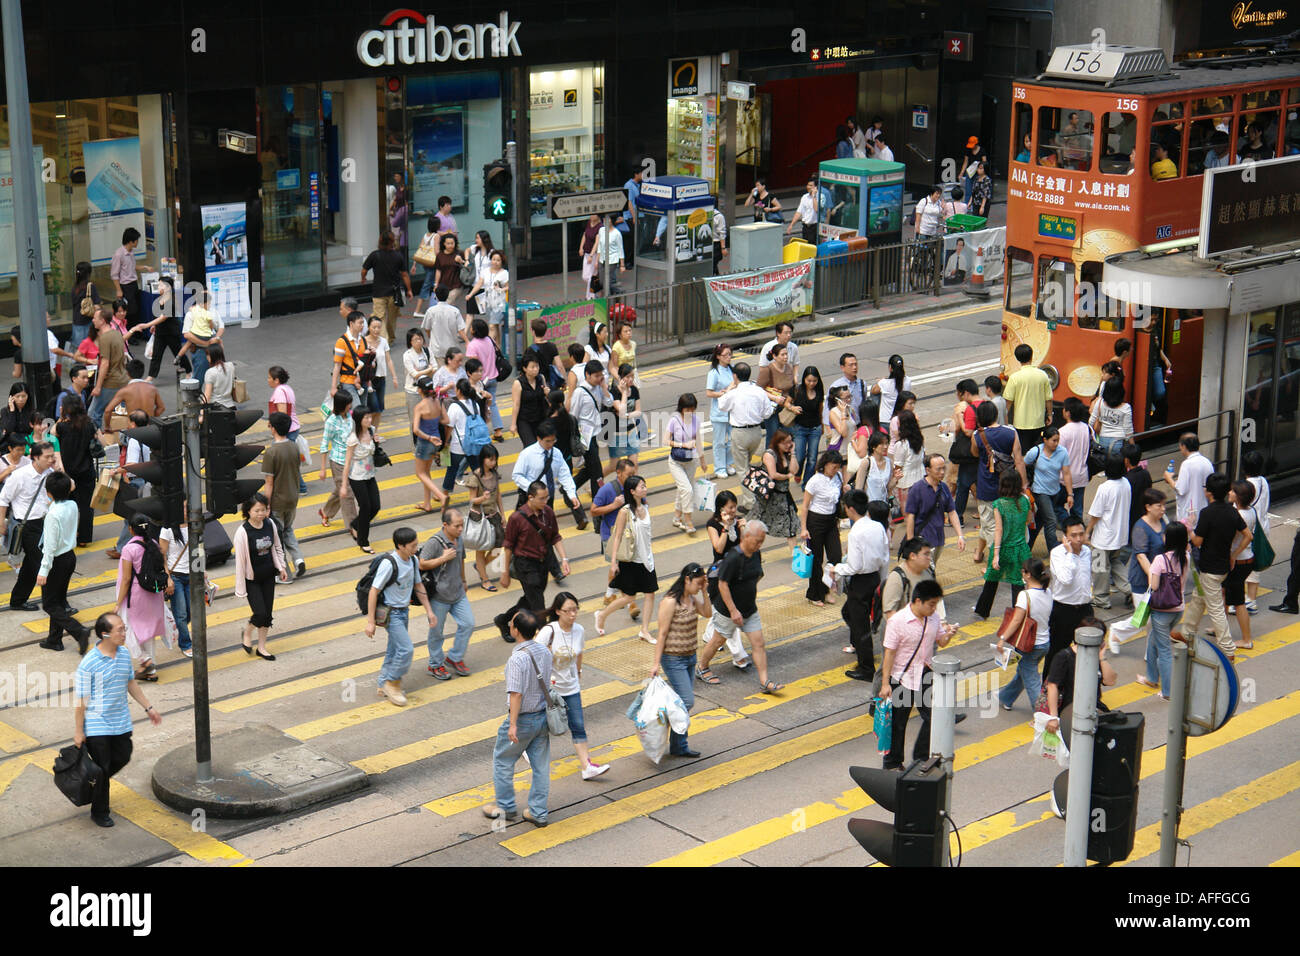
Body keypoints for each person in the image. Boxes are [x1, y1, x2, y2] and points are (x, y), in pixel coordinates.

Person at [73, 613, 162, 827]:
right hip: (97, 724)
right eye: (120, 630)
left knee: (123, 756)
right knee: (102, 767)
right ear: (105, 635)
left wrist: (148, 707)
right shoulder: (89, 663)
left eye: (124, 628)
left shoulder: (123, 654)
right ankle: (100, 811)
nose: (124, 633)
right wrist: (78, 731)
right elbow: (81, 701)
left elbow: (130, 683)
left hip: (121, 720)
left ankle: (93, 785)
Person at [483, 609, 552, 827]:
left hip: (523, 720)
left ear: (517, 631)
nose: (509, 626)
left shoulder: (517, 659)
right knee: (541, 767)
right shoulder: (545, 652)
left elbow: (516, 694)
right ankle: (538, 812)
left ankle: (505, 807)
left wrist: (512, 724)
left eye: (512, 623)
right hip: (542, 718)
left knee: (503, 760)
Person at [698, 520, 784, 693]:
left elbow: (757, 575)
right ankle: (702, 667)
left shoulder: (756, 554)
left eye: (762, 541)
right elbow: (722, 584)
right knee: (717, 641)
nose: (760, 544)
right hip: (727, 611)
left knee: (758, 643)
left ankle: (764, 681)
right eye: (757, 541)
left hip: (749, 609)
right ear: (746, 537)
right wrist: (733, 610)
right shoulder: (733, 557)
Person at [880, 579, 956, 770]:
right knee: (898, 724)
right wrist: (885, 684)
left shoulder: (934, 618)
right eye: (931, 604)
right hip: (902, 676)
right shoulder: (897, 621)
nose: (933, 609)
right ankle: (892, 763)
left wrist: (949, 634)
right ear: (918, 601)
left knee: (933, 716)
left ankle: (921, 758)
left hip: (925, 674)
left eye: (935, 605)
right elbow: (889, 653)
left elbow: (942, 641)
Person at [536, 591, 611, 776]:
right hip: (550, 689)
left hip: (571, 687)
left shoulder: (579, 630)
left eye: (575, 610)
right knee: (541, 725)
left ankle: (586, 766)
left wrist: (578, 672)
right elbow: (534, 655)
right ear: (558, 611)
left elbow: (579, 653)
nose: (573, 614)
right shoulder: (549, 631)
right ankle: (525, 747)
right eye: (568, 611)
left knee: (577, 725)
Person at [365, 526, 437, 707]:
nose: (415, 549)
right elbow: (374, 591)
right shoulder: (389, 564)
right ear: (400, 546)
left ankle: (383, 683)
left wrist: (429, 611)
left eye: (416, 545)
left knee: (395, 649)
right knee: (406, 650)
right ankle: (392, 682)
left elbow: (419, 586)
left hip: (404, 611)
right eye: (412, 546)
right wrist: (371, 622)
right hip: (392, 613)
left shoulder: (412, 560)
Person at [495, 481, 571, 641]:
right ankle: (546, 638)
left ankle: (503, 619)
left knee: (530, 599)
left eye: (547, 498)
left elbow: (555, 536)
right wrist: (504, 572)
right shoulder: (516, 518)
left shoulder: (548, 512)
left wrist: (564, 559)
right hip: (525, 565)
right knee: (538, 604)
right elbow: (508, 546)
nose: (545, 501)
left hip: (543, 563)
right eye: (542, 499)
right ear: (530, 498)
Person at [651, 564, 714, 758]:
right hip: (672, 658)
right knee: (686, 701)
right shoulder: (670, 601)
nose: (699, 586)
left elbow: (708, 613)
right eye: (697, 583)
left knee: (681, 702)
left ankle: (680, 746)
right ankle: (660, 726)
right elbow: (661, 633)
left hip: (689, 656)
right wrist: (655, 664)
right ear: (686, 579)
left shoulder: (692, 599)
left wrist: (705, 591)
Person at [597, 474, 659, 642]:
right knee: (629, 597)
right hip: (631, 560)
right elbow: (617, 537)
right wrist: (613, 562)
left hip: (647, 559)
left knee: (650, 594)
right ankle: (602, 615)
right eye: (642, 486)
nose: (645, 488)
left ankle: (644, 630)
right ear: (632, 491)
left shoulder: (645, 507)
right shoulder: (624, 512)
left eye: (645, 485)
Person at [35, 472, 91, 653]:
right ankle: (54, 639)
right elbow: (71, 486)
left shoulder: (53, 515)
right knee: (58, 600)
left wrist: (43, 571)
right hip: (69, 558)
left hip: (56, 562)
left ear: (48, 493)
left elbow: (50, 547)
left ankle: (78, 631)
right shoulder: (72, 505)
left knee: (50, 604)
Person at [838, 494, 891, 680]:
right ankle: (859, 644)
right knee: (848, 613)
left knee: (860, 625)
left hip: (860, 582)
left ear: (851, 509)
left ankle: (866, 668)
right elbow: (885, 557)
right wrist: (883, 582)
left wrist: (836, 569)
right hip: (875, 578)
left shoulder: (855, 533)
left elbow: (854, 566)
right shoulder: (878, 526)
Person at [231, 493, 289, 662]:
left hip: (269, 575)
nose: (261, 514)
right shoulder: (242, 532)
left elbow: (277, 546)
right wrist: (240, 588)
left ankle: (262, 648)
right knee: (260, 613)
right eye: (257, 510)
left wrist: (282, 567)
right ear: (248, 511)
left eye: (264, 510)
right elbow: (240, 563)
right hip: (252, 579)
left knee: (267, 615)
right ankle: (248, 631)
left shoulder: (270, 524)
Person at [418, 508, 474, 680]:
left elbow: (461, 560)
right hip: (439, 597)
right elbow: (421, 564)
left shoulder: (459, 539)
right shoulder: (434, 542)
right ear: (445, 525)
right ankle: (435, 664)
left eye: (462, 525)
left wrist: (464, 581)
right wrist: (442, 558)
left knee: (468, 624)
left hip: (457, 592)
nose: (460, 529)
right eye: (456, 526)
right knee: (437, 632)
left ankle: (454, 657)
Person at [0, 441, 56, 611]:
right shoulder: (20, 475)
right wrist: (1, 522)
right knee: (44, 564)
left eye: (52, 456)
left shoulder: (50, 473)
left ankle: (17, 600)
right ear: (36, 458)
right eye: (48, 457)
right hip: (27, 527)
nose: (51, 459)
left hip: (45, 523)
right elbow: (3, 499)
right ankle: (55, 605)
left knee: (31, 566)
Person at [971, 400, 1027, 565]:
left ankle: (994, 561)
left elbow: (974, 454)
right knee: (1003, 524)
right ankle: (979, 552)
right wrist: (1023, 486)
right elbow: (1019, 461)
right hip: (1008, 487)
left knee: (990, 525)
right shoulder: (1011, 432)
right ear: (996, 414)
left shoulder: (977, 436)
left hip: (986, 487)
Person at [995, 558, 1054, 712]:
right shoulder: (1048, 592)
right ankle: (1005, 698)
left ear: (1028, 575)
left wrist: (1002, 639)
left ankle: (1042, 714)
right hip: (1044, 643)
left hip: (1029, 645)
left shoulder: (1025, 595)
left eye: (1023, 570)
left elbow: (1015, 621)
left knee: (1032, 680)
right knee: (1024, 672)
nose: (1022, 573)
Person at [115, 514, 169, 681]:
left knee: (126, 627)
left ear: (131, 530)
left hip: (135, 596)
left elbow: (125, 579)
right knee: (148, 631)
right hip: (153, 594)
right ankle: (151, 672)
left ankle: (145, 660)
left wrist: (118, 603)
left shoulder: (129, 549)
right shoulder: (153, 544)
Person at [973, 469, 1032, 619]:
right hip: (1020, 548)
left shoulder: (999, 504)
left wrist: (996, 555)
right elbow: (1029, 520)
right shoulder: (1025, 500)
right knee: (1018, 583)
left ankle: (982, 610)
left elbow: (998, 530)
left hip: (1003, 548)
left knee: (991, 581)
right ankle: (1018, 615)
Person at [1142, 522, 1189, 699]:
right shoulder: (1186, 556)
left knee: (1164, 651)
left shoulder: (1160, 560)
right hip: (1178, 609)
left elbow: (1153, 586)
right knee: (1153, 640)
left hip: (1162, 611)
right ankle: (1152, 678)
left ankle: (1168, 692)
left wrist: (1151, 574)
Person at [261, 411, 306, 580]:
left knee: (277, 537)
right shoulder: (294, 446)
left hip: (278, 501)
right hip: (293, 498)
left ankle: (283, 574)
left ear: (273, 428)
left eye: (269, 424)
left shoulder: (271, 453)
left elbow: (269, 483)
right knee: (287, 529)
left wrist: (267, 505)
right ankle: (299, 558)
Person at [1046, 517, 1094, 674]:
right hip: (1063, 610)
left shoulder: (1087, 552)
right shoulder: (1057, 554)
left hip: (1085, 609)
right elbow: (1066, 579)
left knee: (1089, 651)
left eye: (1081, 534)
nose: (1079, 539)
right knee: (1056, 653)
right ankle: (1047, 692)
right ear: (1065, 537)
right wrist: (1070, 554)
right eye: (1074, 535)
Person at [1087, 453, 1133, 610]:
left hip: (1103, 537)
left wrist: (1087, 531)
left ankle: (1101, 599)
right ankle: (1130, 590)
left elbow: (1096, 514)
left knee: (1100, 567)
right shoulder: (1126, 483)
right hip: (1119, 535)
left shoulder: (1104, 488)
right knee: (1115, 563)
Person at [799, 450, 845, 606]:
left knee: (836, 556)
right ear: (825, 465)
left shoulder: (838, 478)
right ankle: (815, 594)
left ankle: (826, 589)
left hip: (831, 521)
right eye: (833, 466)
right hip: (815, 522)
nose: (835, 470)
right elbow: (804, 506)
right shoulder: (814, 481)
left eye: (838, 467)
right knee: (817, 560)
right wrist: (804, 528)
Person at [905, 452, 965, 567]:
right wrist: (910, 541)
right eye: (938, 469)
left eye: (944, 468)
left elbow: (952, 512)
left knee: (930, 570)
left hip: (939, 539)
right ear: (928, 470)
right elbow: (910, 516)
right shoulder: (917, 489)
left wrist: (960, 536)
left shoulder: (944, 488)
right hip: (922, 540)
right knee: (927, 572)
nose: (942, 472)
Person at [53, 397, 97, 547]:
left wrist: (60, 417)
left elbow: (52, 432)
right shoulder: (89, 425)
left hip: (67, 473)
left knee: (65, 505)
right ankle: (84, 538)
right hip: (87, 470)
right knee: (86, 506)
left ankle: (68, 536)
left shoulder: (62, 427)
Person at [719, 361, 776, 474]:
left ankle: (749, 491)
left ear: (735, 376)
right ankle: (753, 487)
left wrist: (729, 389)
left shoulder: (734, 393)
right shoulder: (759, 391)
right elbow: (768, 413)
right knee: (747, 465)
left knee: (742, 468)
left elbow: (721, 406)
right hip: (756, 433)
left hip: (740, 433)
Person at [569, 360, 614, 497]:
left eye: (601, 375)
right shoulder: (579, 392)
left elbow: (609, 402)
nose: (599, 378)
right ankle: (598, 499)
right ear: (587, 375)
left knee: (591, 467)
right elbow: (573, 415)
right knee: (597, 471)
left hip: (596, 432)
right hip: (585, 435)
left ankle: (569, 488)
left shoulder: (599, 387)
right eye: (596, 376)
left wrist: (604, 387)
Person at [340, 407, 382, 554]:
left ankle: (356, 524)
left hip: (370, 474)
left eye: (370, 417)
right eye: (366, 418)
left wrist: (376, 442)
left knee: (375, 506)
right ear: (358, 420)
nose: (369, 420)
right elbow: (347, 463)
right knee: (365, 507)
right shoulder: (353, 439)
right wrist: (344, 486)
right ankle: (363, 541)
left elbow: (374, 450)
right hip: (357, 477)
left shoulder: (371, 430)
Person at [1024, 426, 1073, 550]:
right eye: (1054, 440)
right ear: (1045, 440)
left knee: (1040, 520)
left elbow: (1066, 473)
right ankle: (1054, 551)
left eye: (1058, 440)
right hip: (1040, 492)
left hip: (1055, 492)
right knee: (1051, 521)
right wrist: (1024, 485)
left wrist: (1070, 494)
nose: (1056, 443)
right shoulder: (1036, 452)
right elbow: (1021, 465)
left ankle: (1027, 547)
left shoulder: (1062, 452)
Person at [749, 429, 800, 546]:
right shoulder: (769, 454)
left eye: (790, 442)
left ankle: (796, 557)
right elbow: (773, 474)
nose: (788, 445)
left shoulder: (787, 454)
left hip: (784, 497)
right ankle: (749, 548)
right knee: (756, 523)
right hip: (769, 496)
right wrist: (787, 476)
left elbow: (795, 470)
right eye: (785, 443)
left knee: (791, 525)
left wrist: (793, 453)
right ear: (777, 442)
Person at [464, 445, 505, 590]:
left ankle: (480, 566)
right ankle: (484, 579)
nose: (493, 462)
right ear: (483, 459)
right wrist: (482, 498)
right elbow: (472, 500)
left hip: (494, 516)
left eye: (495, 459)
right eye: (490, 459)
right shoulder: (475, 477)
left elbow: (498, 495)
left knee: (500, 546)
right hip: (480, 518)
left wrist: (503, 515)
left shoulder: (494, 474)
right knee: (481, 549)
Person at [1224, 480, 1258, 650]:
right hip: (1248, 559)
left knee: (1238, 602)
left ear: (1239, 496)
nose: (1229, 493)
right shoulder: (1251, 511)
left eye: (1232, 491)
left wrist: (1233, 555)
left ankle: (1246, 639)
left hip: (1238, 561)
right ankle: (1220, 629)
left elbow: (1247, 537)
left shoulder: (1239, 515)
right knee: (1224, 593)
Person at [318, 392, 358, 534]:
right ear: (342, 405)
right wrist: (323, 469)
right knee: (347, 493)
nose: (351, 405)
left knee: (340, 489)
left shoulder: (350, 416)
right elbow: (324, 445)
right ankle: (353, 526)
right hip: (338, 462)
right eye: (349, 403)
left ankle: (325, 511)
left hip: (352, 461)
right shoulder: (331, 422)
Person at [361, 230, 412, 343]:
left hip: (378, 292)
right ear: (392, 241)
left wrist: (363, 278)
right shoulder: (398, 256)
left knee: (380, 318)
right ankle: (390, 337)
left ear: (380, 241)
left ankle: (384, 339)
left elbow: (364, 269)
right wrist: (409, 290)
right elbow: (404, 274)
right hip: (394, 293)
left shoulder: (375, 255)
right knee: (392, 318)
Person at [87, 307, 130, 426]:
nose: (93, 320)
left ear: (102, 321)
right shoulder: (116, 333)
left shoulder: (105, 338)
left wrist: (98, 387)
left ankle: (95, 441)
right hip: (122, 378)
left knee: (93, 413)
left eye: (95, 318)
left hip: (110, 382)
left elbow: (105, 363)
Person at [1003, 344, 1052, 450]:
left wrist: (1005, 421)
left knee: (1023, 453)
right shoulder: (1043, 375)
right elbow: (1048, 398)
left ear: (1017, 359)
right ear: (1031, 356)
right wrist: (1049, 414)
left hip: (1021, 424)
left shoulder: (1014, 378)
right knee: (1038, 452)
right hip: (1038, 422)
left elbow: (1007, 403)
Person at [666, 394, 701, 535]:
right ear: (681, 408)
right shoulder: (674, 420)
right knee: (687, 490)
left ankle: (676, 517)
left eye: (692, 410)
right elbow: (666, 440)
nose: (690, 413)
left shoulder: (695, 420)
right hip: (676, 461)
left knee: (685, 489)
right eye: (687, 410)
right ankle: (688, 521)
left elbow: (698, 439)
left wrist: (703, 461)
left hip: (691, 460)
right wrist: (683, 444)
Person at [157, 518, 192, 658]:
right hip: (175, 576)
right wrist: (167, 578)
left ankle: (175, 627)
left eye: (186, 506)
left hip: (192, 575)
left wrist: (203, 571)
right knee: (181, 613)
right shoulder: (167, 530)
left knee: (190, 611)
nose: (185, 510)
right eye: (182, 507)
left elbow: (199, 549)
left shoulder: (195, 524)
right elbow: (162, 555)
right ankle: (186, 644)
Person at [466, 318, 504, 440]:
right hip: (493, 376)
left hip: (479, 381)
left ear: (474, 331)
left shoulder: (473, 345)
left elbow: (472, 365)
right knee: (492, 404)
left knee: (477, 405)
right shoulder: (490, 340)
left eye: (471, 327)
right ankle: (498, 431)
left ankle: (480, 431)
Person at [788, 366, 825, 486]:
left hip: (815, 428)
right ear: (804, 379)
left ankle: (807, 483)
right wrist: (792, 408)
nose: (811, 383)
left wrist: (822, 425)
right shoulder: (797, 390)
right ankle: (798, 473)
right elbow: (787, 402)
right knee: (799, 456)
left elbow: (820, 409)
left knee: (812, 458)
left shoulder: (819, 391)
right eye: (809, 381)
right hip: (800, 428)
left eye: (814, 381)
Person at [178, 291, 224, 386]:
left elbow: (221, 326)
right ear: (200, 303)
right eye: (208, 303)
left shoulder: (212, 311)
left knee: (219, 376)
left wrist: (216, 337)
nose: (209, 305)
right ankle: (195, 398)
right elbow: (186, 334)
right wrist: (205, 343)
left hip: (214, 348)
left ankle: (213, 398)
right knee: (199, 378)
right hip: (200, 350)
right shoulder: (191, 314)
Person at [1168, 433, 1214, 526]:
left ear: (1183, 446)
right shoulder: (1207, 462)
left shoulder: (1187, 464)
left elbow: (1180, 489)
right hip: (1204, 507)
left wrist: (1169, 478)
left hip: (1189, 511)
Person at [705, 344, 737, 478]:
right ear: (718, 357)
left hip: (732, 410)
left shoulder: (732, 369)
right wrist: (723, 393)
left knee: (732, 440)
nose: (729, 357)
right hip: (719, 413)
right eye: (725, 355)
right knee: (719, 442)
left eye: (730, 354)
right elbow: (709, 393)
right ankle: (719, 468)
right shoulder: (714, 373)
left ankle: (728, 463)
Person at [1058, 397, 1091, 520]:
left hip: (1064, 477)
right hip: (1081, 474)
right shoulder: (1086, 428)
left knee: (1057, 505)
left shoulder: (1062, 432)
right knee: (1077, 509)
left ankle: (1067, 524)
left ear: (1067, 413)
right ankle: (1077, 527)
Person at [757, 342, 797, 443]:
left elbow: (792, 386)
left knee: (790, 434)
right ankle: (769, 457)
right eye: (782, 355)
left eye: (786, 354)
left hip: (786, 408)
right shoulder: (767, 370)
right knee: (773, 435)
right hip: (772, 409)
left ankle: (786, 457)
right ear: (774, 356)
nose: (785, 357)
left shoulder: (788, 367)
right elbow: (758, 389)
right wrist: (775, 398)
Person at [363, 315, 397, 427]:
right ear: (368, 327)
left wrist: (394, 377)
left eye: (379, 327)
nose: (377, 330)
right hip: (369, 380)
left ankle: (375, 433)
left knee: (379, 409)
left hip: (381, 378)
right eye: (374, 327)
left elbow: (389, 360)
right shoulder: (363, 342)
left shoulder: (383, 341)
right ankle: (369, 432)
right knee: (373, 408)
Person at [110, 227, 146, 330]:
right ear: (131, 241)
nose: (137, 242)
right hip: (125, 286)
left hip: (133, 284)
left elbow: (131, 266)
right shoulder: (119, 254)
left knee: (136, 309)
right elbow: (114, 274)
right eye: (136, 240)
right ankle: (130, 333)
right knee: (130, 310)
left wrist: (144, 267)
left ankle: (136, 331)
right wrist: (118, 290)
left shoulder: (131, 252)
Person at [511, 353, 550, 448]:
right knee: (531, 446)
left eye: (537, 366)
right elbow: (516, 404)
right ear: (524, 368)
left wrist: (547, 393)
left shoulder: (541, 378)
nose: (535, 369)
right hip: (525, 420)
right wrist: (513, 424)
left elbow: (547, 399)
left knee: (543, 445)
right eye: (532, 367)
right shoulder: (518, 383)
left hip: (540, 418)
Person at [608, 362, 643, 465]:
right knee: (613, 466)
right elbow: (621, 410)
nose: (631, 379)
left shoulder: (634, 390)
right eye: (628, 377)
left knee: (634, 465)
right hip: (616, 433)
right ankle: (598, 481)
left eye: (632, 376)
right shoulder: (614, 392)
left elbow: (638, 412)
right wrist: (624, 393)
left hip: (631, 431)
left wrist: (627, 416)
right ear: (620, 378)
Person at [421, 283, 467, 359]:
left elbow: (427, 328)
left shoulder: (431, 311)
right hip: (452, 349)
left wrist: (430, 337)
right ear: (448, 295)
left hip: (436, 349)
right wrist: (467, 341)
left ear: (436, 296)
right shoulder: (455, 311)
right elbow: (461, 330)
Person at [1090, 380, 1133, 457]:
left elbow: (1091, 422)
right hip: (1118, 443)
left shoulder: (1100, 402)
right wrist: (1133, 446)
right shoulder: (1126, 408)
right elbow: (1128, 431)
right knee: (1116, 467)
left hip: (1102, 441)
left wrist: (1093, 437)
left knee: (1105, 465)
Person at [889, 410, 926, 502]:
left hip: (905, 483)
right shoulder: (919, 439)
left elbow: (898, 467)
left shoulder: (901, 444)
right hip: (920, 477)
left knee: (907, 512)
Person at [829, 353, 868, 426]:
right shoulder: (836, 386)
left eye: (856, 364)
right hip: (843, 424)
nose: (854, 367)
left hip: (859, 424)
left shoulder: (862, 384)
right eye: (851, 365)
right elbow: (828, 409)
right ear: (842, 367)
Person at [787, 179, 820, 244]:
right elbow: (799, 212)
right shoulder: (804, 197)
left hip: (815, 226)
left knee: (813, 246)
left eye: (811, 185)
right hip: (805, 227)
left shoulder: (820, 196)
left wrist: (814, 196)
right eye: (808, 185)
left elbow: (816, 209)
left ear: (815, 187)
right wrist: (791, 225)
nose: (808, 187)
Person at [610, 320, 638, 385]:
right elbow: (615, 366)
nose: (629, 333)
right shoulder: (616, 347)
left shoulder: (633, 344)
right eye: (625, 331)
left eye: (630, 330)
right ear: (620, 334)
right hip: (621, 378)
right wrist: (621, 379)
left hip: (632, 377)